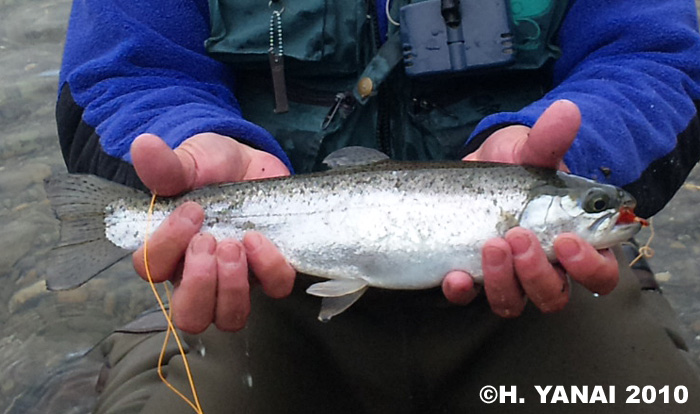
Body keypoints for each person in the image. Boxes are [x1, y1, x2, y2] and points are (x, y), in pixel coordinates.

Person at [55, 0, 700, 412]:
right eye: (594, 208)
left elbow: (655, 53)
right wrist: (184, 140)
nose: (604, 214)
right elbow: (122, 68)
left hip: (546, 302)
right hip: (254, 295)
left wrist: (584, 144)